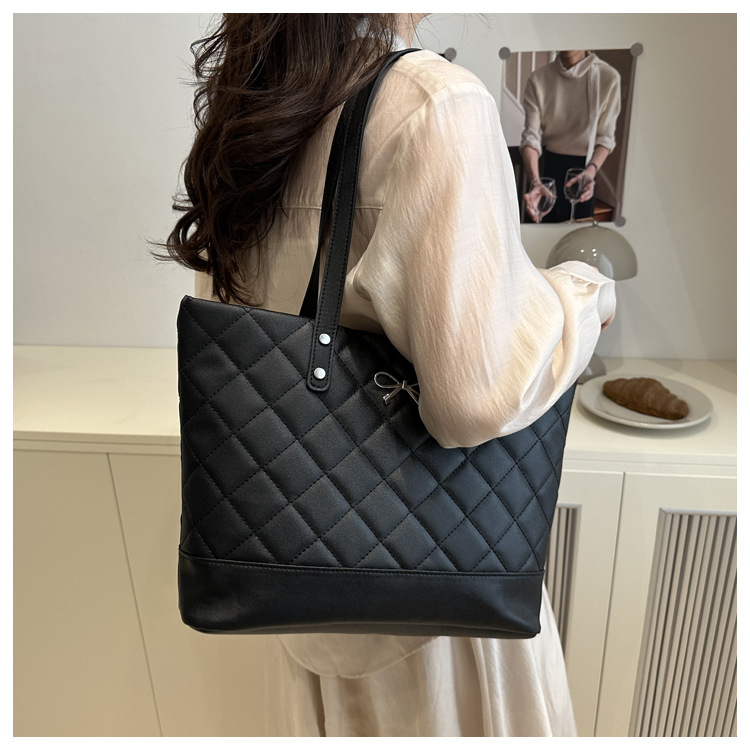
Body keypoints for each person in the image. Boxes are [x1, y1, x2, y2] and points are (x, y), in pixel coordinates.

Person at [162, 14, 616, 737]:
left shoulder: (253, 100)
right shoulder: (436, 105)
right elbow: (474, 396)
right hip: (437, 616)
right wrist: (582, 295)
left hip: (297, 579)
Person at [520, 50, 621, 223]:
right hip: (546, 170)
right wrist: (535, 182)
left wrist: (591, 171)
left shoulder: (608, 77)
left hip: (585, 172)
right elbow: (531, 137)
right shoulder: (538, 79)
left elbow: (606, 137)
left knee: (578, 235)